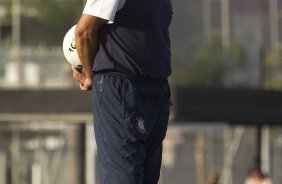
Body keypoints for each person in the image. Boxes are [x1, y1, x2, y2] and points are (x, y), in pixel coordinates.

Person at [72, 0, 173, 183]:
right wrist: (90, 75)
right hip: (121, 88)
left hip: (156, 90)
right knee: (123, 178)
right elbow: (84, 33)